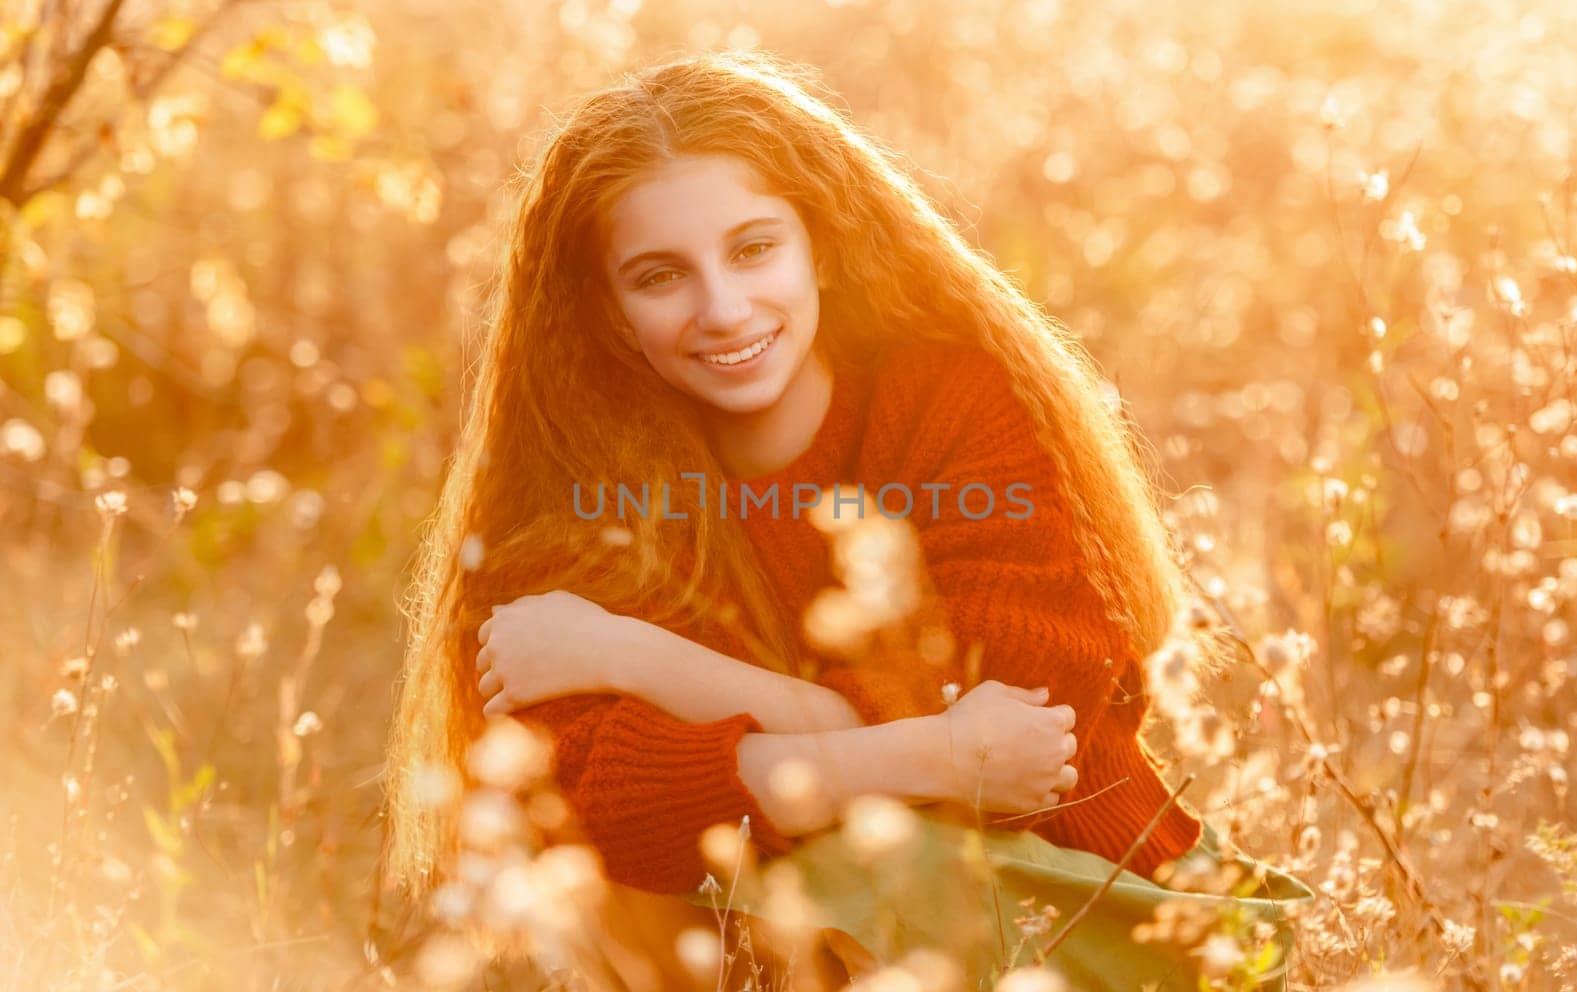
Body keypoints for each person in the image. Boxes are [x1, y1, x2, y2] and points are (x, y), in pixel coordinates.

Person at [384, 49, 1309, 991]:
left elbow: (1015, 749)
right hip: (808, 950)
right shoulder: (587, 497)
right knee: (649, 886)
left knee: (870, 868)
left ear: (817, 243)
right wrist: (925, 755)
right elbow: (596, 812)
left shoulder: (952, 405)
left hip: (1094, 918)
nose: (724, 307)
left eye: (753, 249)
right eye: (660, 276)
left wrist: (631, 657)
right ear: (611, 313)